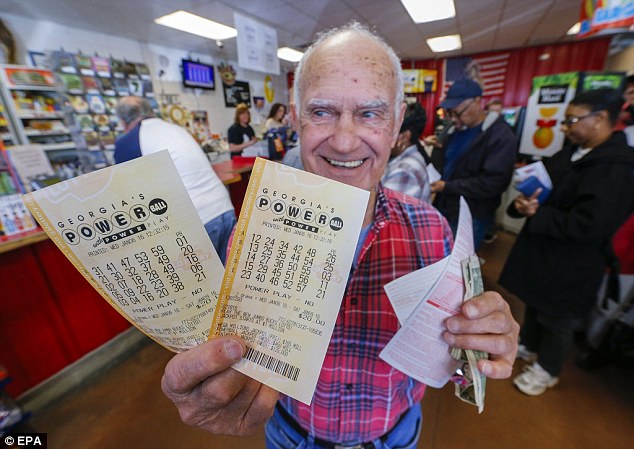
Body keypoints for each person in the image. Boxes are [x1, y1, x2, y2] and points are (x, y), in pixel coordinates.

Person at [161, 22, 519, 448]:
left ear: (397, 122)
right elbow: (224, 350)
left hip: (396, 435)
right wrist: (208, 380)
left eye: (370, 113)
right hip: (293, 436)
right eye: (322, 111)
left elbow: (453, 358)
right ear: (295, 119)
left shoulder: (433, 232)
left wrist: (482, 343)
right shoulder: (249, 234)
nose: (346, 141)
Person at [498, 88, 634, 396]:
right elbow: (543, 186)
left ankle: (548, 369)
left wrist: (539, 215)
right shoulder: (571, 151)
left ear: (600, 119)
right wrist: (523, 204)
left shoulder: (618, 167)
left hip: (575, 261)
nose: (566, 126)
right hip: (544, 250)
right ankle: (529, 345)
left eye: (573, 119)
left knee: (558, 318)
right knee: (534, 303)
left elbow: (593, 224)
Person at [114, 96, 236, 265]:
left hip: (197, 220)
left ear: (123, 122)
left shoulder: (128, 142)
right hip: (224, 208)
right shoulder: (175, 128)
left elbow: (128, 192)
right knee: (227, 281)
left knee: (199, 286)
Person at [430, 78, 516, 251]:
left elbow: (494, 182)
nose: (453, 119)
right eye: (450, 114)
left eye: (457, 113)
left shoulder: (499, 134)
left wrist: (448, 187)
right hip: (446, 207)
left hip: (472, 214)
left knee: (457, 263)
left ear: (478, 102)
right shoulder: (454, 131)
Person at [381, 101, 431, 202]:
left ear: (404, 137)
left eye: (387, 131)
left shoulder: (405, 171)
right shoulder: (409, 158)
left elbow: (383, 212)